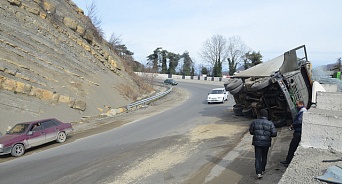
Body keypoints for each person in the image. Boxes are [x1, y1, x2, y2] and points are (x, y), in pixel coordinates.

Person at [249, 109, 277, 179]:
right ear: (266, 115)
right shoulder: (270, 123)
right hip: (266, 143)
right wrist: (268, 135)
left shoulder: (254, 122)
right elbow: (274, 134)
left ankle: (258, 173)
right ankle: (262, 169)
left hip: (257, 142)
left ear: (259, 114)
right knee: (264, 156)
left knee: (258, 157)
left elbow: (251, 131)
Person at [280, 100, 307, 166]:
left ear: (301, 104)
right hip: (299, 132)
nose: (296, 106)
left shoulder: (302, 112)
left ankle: (288, 161)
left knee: (293, 147)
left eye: (297, 105)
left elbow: (299, 121)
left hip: (298, 132)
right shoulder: (303, 111)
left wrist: (293, 125)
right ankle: (288, 161)